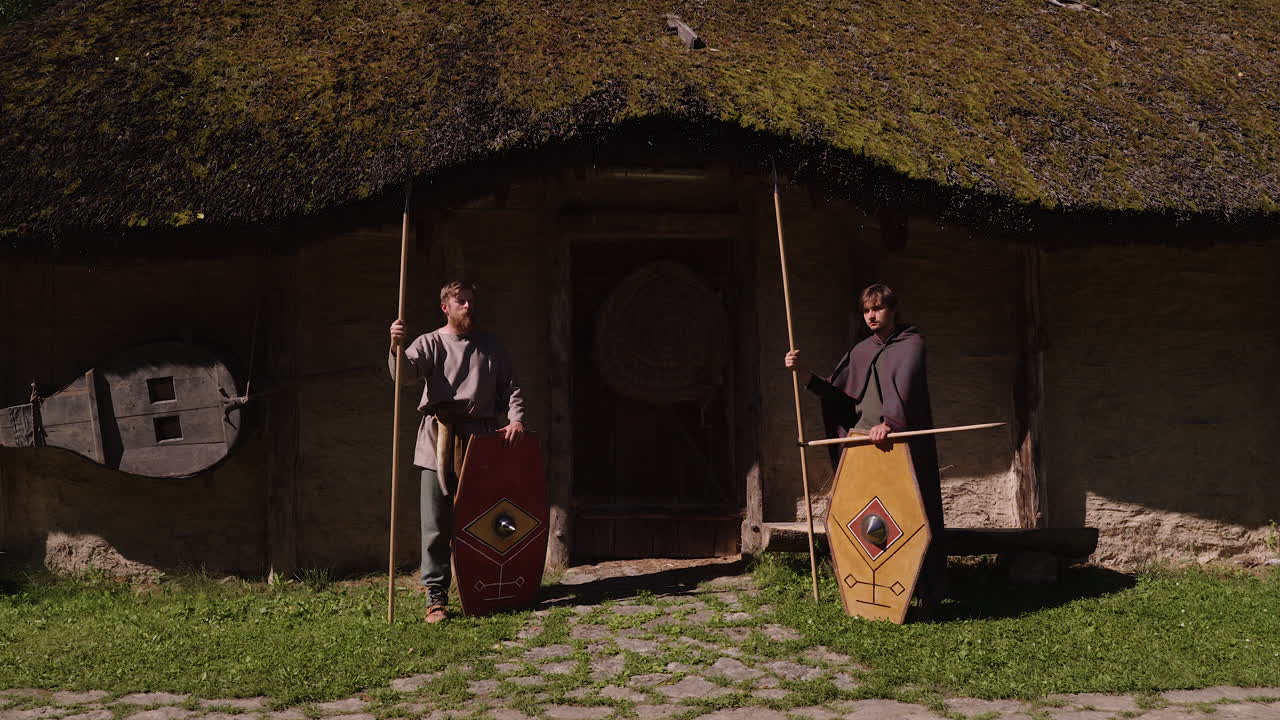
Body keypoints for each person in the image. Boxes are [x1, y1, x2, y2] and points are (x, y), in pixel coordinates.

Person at [784, 283, 946, 612]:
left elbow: (906, 390)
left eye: (878, 308)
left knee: (905, 517)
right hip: (860, 444)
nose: (872, 315)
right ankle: (865, 590)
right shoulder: (860, 351)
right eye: (867, 310)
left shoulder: (911, 345)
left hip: (896, 445)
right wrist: (804, 375)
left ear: (893, 310)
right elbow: (840, 398)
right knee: (859, 517)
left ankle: (919, 588)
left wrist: (891, 424)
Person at [389, 281, 525, 623]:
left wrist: (516, 418)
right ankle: (436, 598)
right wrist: (395, 345)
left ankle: (484, 587)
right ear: (445, 307)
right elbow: (403, 376)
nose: (468, 306)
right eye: (461, 301)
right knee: (435, 524)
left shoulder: (490, 345)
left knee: (483, 520)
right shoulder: (430, 343)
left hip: (481, 439)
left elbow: (511, 386)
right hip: (438, 439)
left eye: (470, 301)